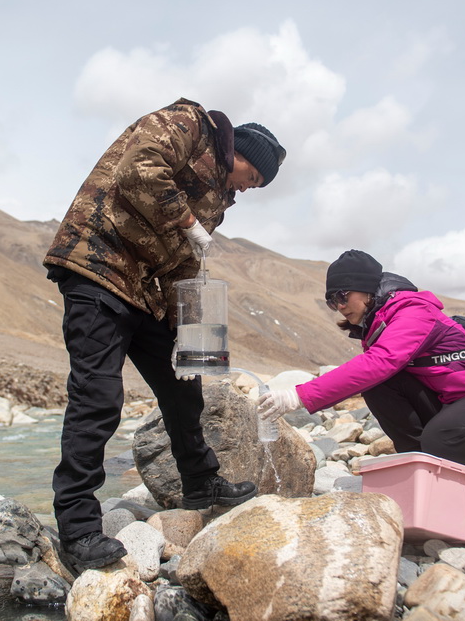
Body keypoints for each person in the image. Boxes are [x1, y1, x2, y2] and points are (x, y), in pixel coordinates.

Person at [43, 97, 286, 572]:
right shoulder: (190, 124)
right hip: (99, 266)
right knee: (98, 398)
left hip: (146, 291)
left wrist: (189, 334)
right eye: (252, 178)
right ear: (240, 154)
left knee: (184, 383)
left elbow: (183, 263)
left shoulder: (218, 197)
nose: (249, 189)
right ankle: (77, 527)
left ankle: (201, 482)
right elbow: (139, 168)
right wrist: (190, 221)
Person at [259, 250, 465, 509]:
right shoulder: (378, 323)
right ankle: (427, 466)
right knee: (379, 386)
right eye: (332, 302)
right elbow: (374, 373)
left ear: (366, 289)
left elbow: (381, 361)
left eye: (342, 296)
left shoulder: (413, 310)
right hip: (450, 404)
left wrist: (299, 395)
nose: (339, 307)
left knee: (441, 434)